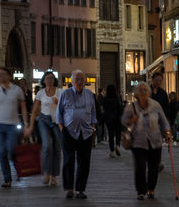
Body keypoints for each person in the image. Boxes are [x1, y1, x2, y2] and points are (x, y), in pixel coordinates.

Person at [122, 82, 172, 199]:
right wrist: (131, 120)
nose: (143, 93)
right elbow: (124, 120)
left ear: (149, 92)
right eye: (141, 91)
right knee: (140, 167)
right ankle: (141, 191)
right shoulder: (131, 107)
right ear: (136, 94)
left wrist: (168, 132)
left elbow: (163, 121)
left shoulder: (155, 105)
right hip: (138, 141)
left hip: (155, 140)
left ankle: (151, 189)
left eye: (145, 90)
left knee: (153, 167)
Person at [57, 70, 97, 199]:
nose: (80, 82)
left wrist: (93, 127)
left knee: (84, 162)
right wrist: (62, 128)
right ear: (72, 81)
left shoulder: (89, 94)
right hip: (69, 132)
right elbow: (59, 112)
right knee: (68, 160)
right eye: (77, 79)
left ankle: (80, 189)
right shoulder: (65, 94)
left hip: (85, 132)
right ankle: (69, 188)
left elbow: (93, 113)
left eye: (82, 79)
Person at [0, 67, 27, 188]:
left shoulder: (17, 90)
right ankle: (7, 179)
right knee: (1, 152)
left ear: (9, 76)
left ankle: (18, 168)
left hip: (13, 125)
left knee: (11, 149)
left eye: (3, 74)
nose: (1, 76)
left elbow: (23, 106)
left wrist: (26, 123)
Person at [26, 72, 61, 185]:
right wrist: (30, 126)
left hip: (56, 121)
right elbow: (34, 110)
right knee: (46, 146)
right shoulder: (41, 93)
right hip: (43, 120)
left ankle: (54, 176)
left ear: (54, 80)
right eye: (47, 78)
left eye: (51, 78)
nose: (50, 80)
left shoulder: (60, 92)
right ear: (44, 80)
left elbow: (67, 106)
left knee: (57, 148)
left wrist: (59, 102)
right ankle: (46, 173)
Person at [102, 84, 124, 157]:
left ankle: (112, 151)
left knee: (110, 135)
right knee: (118, 133)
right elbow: (120, 108)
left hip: (109, 119)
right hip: (117, 118)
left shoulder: (105, 98)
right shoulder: (118, 97)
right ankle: (117, 145)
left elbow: (104, 108)